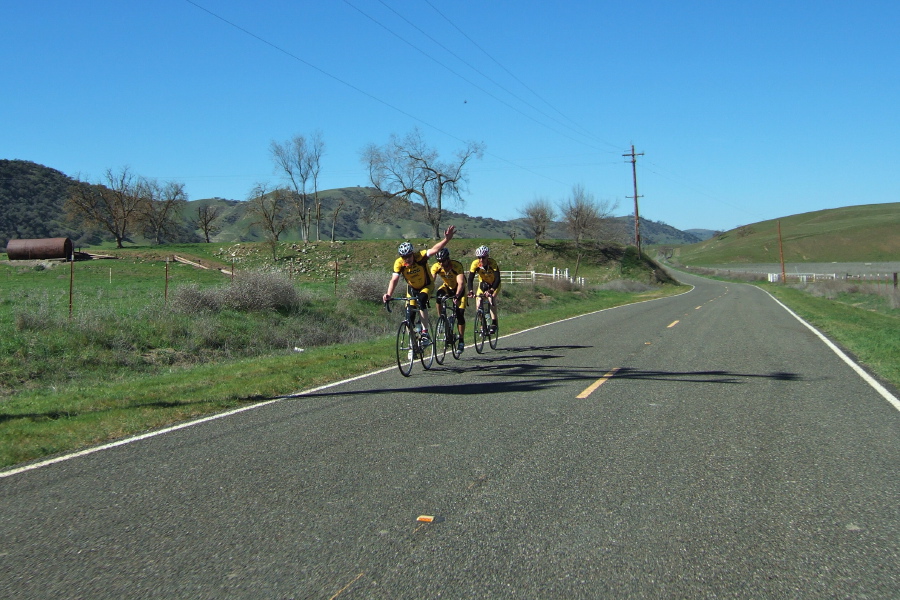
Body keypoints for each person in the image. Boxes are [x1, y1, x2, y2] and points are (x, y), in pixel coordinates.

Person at [383, 225, 457, 344]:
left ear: (412, 253)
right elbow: (394, 280)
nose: (407, 259)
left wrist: (446, 240)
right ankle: (413, 345)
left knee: (421, 300)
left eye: (409, 256)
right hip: (412, 288)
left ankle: (425, 333)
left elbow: (434, 250)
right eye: (404, 257)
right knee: (409, 318)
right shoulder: (399, 263)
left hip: (426, 286)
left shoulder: (420, 257)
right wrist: (388, 294)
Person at [430, 247, 467, 354]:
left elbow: (461, 283)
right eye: (439, 261)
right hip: (447, 287)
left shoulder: (456, 265)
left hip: (460, 290)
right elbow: (431, 282)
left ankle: (461, 340)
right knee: (438, 295)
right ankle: (441, 319)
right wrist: (427, 294)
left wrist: (457, 296)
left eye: (443, 261)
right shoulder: (436, 267)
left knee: (460, 314)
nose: (441, 263)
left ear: (448, 259)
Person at [467, 244, 501, 335]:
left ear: (487, 256)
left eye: (483, 257)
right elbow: (470, 279)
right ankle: (483, 325)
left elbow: (498, 279)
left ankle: (494, 323)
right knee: (478, 304)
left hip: (494, 284)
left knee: (491, 299)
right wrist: (470, 291)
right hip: (483, 284)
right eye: (479, 257)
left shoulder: (492, 263)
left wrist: (491, 290)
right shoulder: (475, 264)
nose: (481, 260)